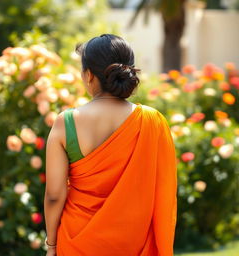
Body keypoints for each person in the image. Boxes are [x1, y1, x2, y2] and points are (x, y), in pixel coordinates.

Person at [44, 34, 177, 256]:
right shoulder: (152, 120)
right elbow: (163, 191)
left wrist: (52, 245)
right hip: (135, 243)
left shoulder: (66, 123)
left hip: (77, 241)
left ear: (88, 75)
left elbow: (55, 195)